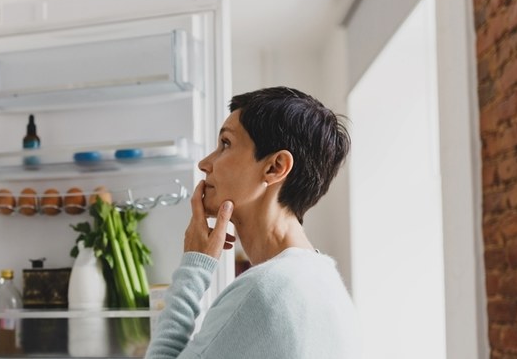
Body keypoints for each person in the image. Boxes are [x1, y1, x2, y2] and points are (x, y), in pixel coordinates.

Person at [145, 87, 359, 358]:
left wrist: (193, 268)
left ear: (275, 167)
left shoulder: (264, 291)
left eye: (225, 144)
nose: (204, 163)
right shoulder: (327, 282)